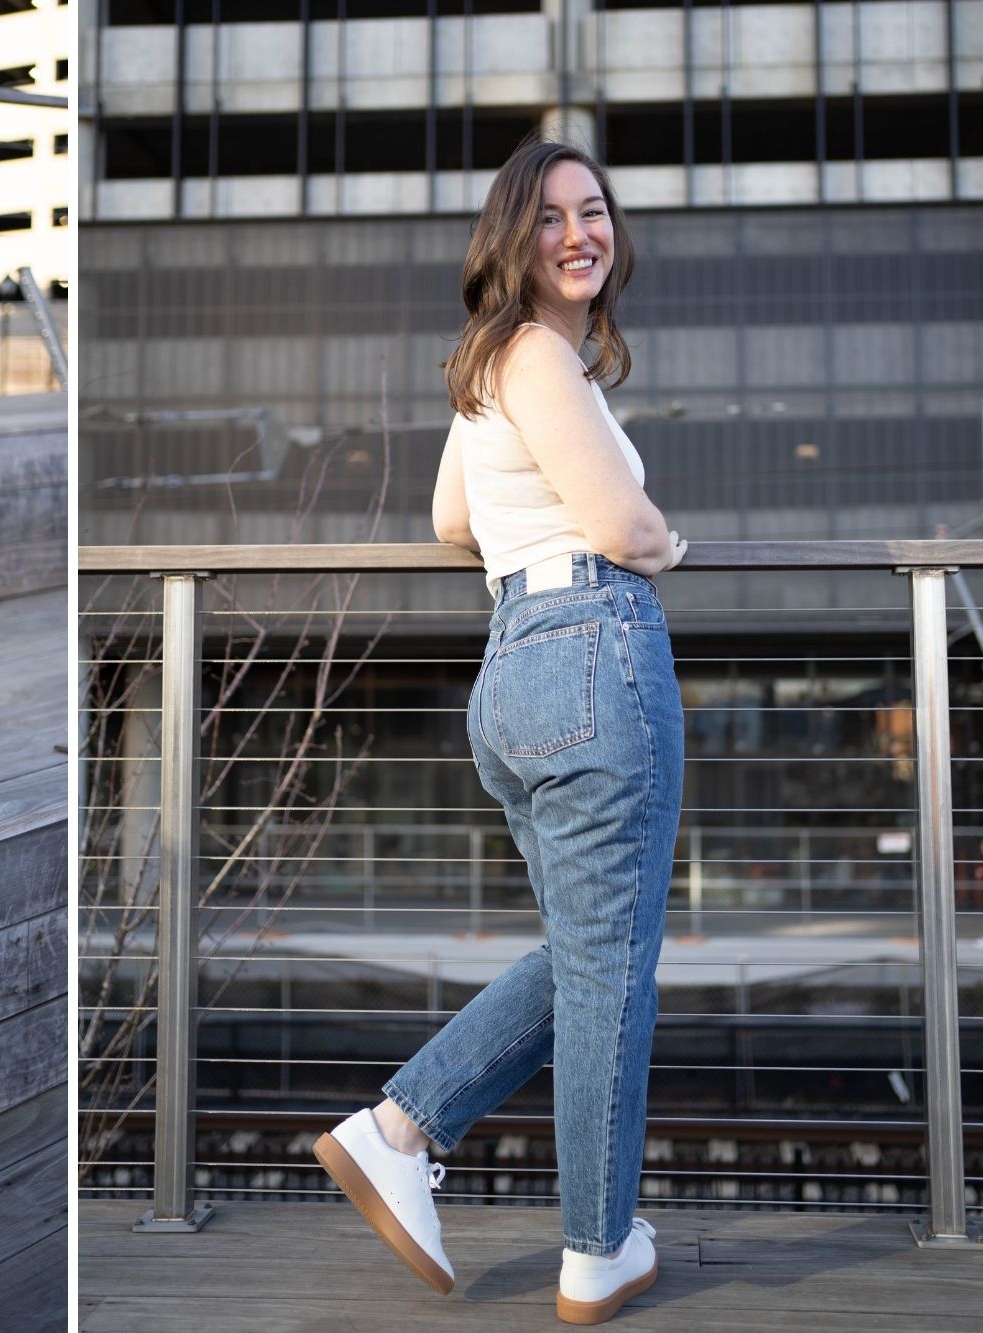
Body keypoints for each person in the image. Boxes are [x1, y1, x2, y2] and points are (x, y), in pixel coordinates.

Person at [310, 137, 687, 1326]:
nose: (581, 233)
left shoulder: (492, 362)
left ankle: (398, 1128)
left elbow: (445, 517)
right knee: (611, 964)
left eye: (594, 213)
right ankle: (593, 1247)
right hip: (592, 642)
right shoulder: (534, 353)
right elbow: (623, 525)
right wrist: (662, 546)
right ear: (511, 238)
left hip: (515, 662)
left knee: (590, 952)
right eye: (551, 217)